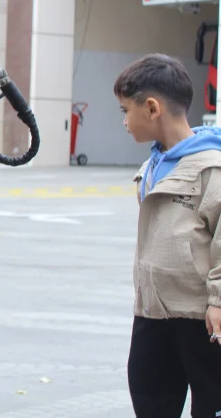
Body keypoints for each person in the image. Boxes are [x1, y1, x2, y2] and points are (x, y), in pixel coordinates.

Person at [113, 54, 221, 418]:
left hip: (203, 319)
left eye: (126, 110)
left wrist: (218, 301)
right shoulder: (153, 164)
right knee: (150, 399)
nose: (124, 121)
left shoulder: (211, 169)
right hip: (152, 313)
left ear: (152, 108)